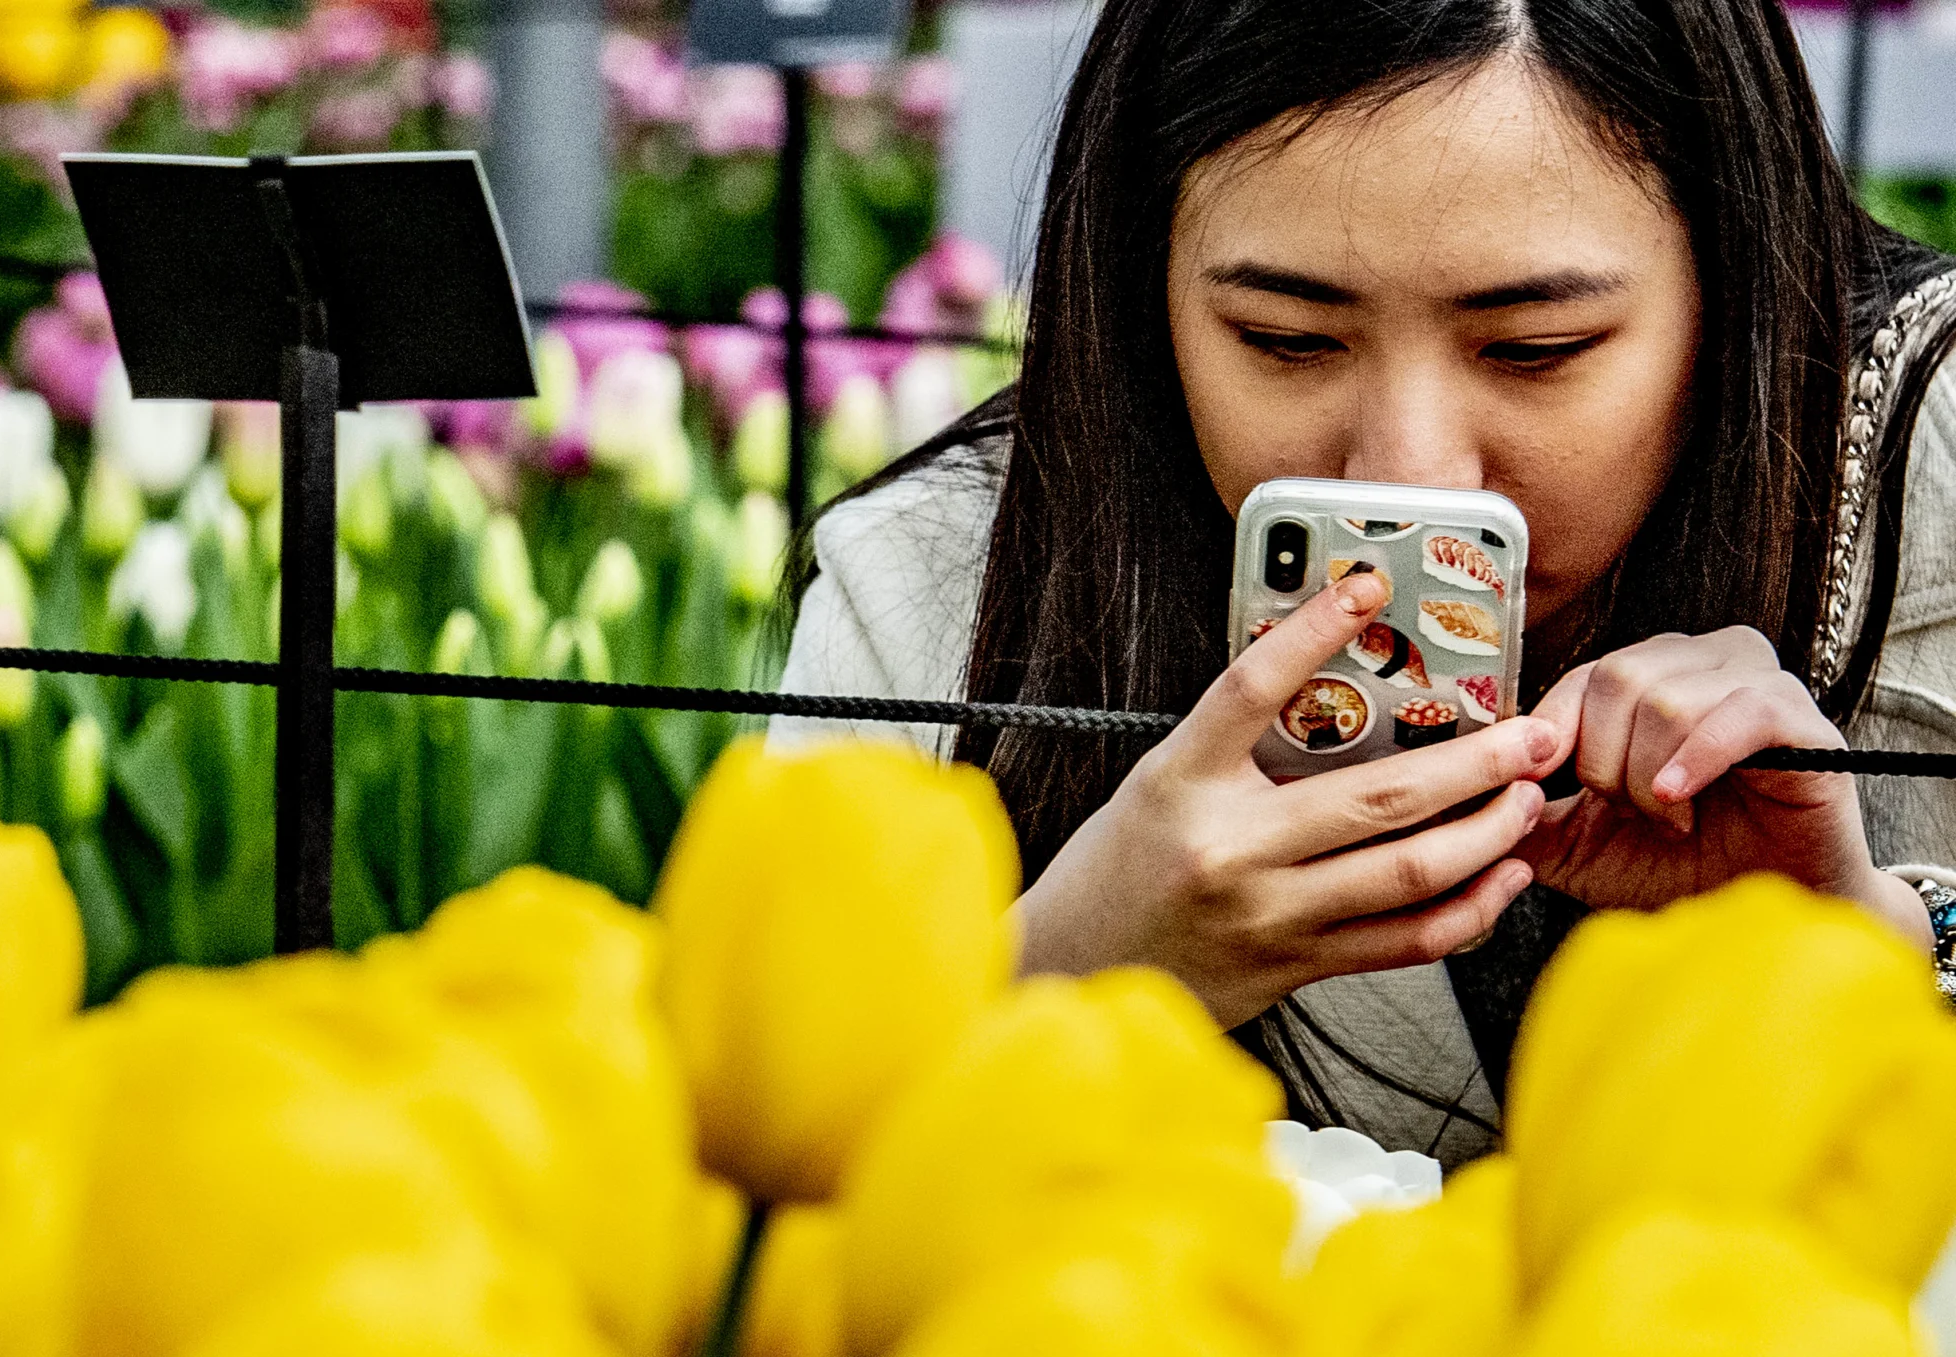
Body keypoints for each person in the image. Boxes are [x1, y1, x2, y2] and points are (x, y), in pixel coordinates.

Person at [778, 0, 1956, 1161]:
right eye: (1287, 339)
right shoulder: (941, 585)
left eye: (1533, 352)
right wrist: (1067, 966)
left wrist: (1873, 939)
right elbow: (735, 1230)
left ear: (1734, 282)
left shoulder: (1929, 464)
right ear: (1146, 287)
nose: (1411, 474)